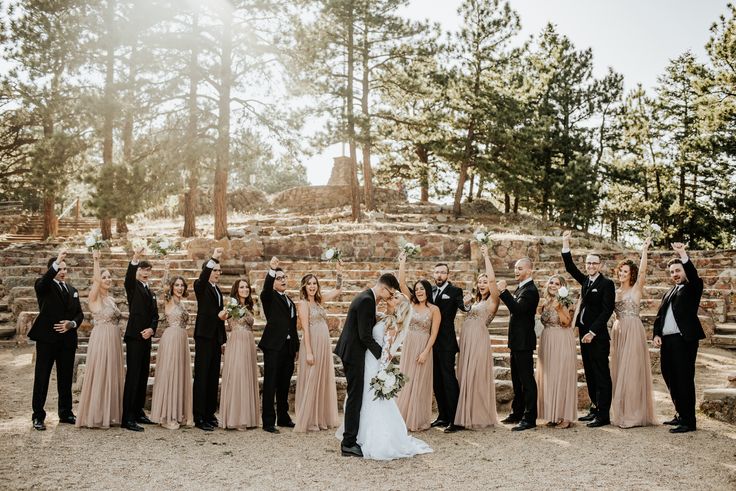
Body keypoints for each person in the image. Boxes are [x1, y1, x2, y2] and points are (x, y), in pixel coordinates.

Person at [335, 293, 432, 460]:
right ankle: (358, 435)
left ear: (399, 306)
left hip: (374, 366)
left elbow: (386, 353)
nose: (391, 298)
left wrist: (381, 375)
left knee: (369, 400)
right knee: (360, 399)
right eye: (392, 296)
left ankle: (374, 438)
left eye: (395, 299)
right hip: (367, 361)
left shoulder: (393, 325)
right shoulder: (384, 318)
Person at [335, 272, 401, 458]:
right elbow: (365, 336)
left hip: (353, 353)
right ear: (383, 288)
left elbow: (366, 324)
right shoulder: (366, 300)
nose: (390, 296)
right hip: (354, 354)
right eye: (390, 293)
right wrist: (383, 357)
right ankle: (348, 443)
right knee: (355, 397)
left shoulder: (367, 298)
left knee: (355, 396)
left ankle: (351, 438)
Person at [561, 231, 615, 428]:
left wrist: (592, 331)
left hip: (597, 337)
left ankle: (603, 415)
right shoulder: (586, 281)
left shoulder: (607, 284)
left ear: (600, 265)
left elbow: (607, 310)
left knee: (601, 374)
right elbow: (569, 267)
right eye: (588, 263)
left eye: (594, 263)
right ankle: (594, 408)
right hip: (584, 335)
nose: (591, 266)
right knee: (590, 373)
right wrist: (565, 242)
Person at [652, 242, 705, 434]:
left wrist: (682, 253)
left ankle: (689, 421)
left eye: (678, 270)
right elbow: (660, 316)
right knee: (670, 377)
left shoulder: (693, 287)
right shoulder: (669, 292)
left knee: (683, 379)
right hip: (667, 341)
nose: (675, 274)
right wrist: (657, 333)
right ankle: (680, 414)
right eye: (672, 271)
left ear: (684, 271)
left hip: (684, 340)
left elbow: (692, 273)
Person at [29, 249, 84, 431]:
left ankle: (66, 412)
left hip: (67, 340)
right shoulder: (43, 285)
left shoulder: (72, 290)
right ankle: (38, 416)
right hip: (46, 339)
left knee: (65, 378)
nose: (63, 271)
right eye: (59, 268)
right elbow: (45, 281)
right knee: (42, 377)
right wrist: (58, 260)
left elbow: (79, 314)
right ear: (52, 269)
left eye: (65, 269)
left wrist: (72, 324)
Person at [610, 238, 657, 428]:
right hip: (619, 330)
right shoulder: (614, 292)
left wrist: (644, 250)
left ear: (632, 274)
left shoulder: (637, 289)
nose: (622, 274)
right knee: (620, 370)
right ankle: (621, 413)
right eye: (620, 271)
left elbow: (644, 271)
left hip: (633, 330)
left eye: (625, 272)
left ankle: (634, 415)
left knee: (632, 371)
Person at [76, 250, 125, 428]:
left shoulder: (111, 299)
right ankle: (96, 414)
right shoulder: (94, 298)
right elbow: (95, 281)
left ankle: (110, 413)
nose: (107, 279)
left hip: (114, 339)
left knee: (111, 373)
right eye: (105, 277)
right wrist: (96, 260)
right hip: (102, 338)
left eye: (109, 277)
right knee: (100, 373)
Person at [454, 244, 500, 430]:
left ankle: (479, 414)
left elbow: (493, 280)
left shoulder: (493, 300)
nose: (482, 284)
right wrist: (464, 305)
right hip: (466, 340)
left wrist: (486, 256)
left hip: (479, 339)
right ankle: (466, 413)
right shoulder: (475, 301)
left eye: (485, 282)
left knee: (476, 374)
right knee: (466, 374)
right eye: (480, 282)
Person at [293, 263, 343, 432]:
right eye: (309, 284)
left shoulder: (320, 301)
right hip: (312, 343)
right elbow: (305, 328)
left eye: (315, 283)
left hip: (324, 344)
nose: (312, 287)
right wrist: (308, 351)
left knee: (321, 378)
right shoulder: (303, 304)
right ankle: (309, 419)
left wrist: (339, 272)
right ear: (304, 287)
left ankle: (320, 417)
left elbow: (338, 290)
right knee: (311, 380)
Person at [397, 253, 441, 432]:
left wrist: (425, 352)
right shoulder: (411, 304)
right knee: (406, 380)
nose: (419, 291)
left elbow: (434, 334)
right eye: (416, 289)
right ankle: (402, 417)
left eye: (422, 289)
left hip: (423, 347)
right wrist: (402, 263)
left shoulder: (434, 309)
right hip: (409, 346)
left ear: (427, 290)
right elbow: (401, 284)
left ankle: (417, 418)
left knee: (420, 381)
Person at [150, 259, 193, 430]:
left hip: (182, 339)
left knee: (180, 374)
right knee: (170, 374)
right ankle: (167, 416)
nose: (180, 288)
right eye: (177, 285)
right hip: (172, 338)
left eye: (182, 285)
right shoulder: (169, 302)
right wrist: (166, 269)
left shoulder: (181, 303)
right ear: (172, 287)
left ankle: (178, 413)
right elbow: (164, 287)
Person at [498, 257, 540, 431]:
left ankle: (529, 418)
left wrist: (503, 292)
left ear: (529, 270)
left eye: (520, 268)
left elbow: (518, 310)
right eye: (515, 268)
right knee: (516, 379)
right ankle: (517, 412)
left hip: (524, 342)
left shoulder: (530, 290)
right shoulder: (521, 287)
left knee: (527, 380)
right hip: (516, 342)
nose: (516, 271)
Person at [259, 257, 300, 433]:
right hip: (274, 346)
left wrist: (296, 347)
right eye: (279, 278)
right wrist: (272, 269)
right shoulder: (269, 297)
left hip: (288, 348)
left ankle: (283, 417)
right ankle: (268, 421)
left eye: (284, 277)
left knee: (284, 384)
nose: (283, 280)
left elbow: (292, 325)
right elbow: (265, 290)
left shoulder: (289, 300)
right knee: (271, 383)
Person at [427, 261, 469, 432]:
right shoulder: (429, 290)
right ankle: (443, 416)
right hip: (431, 342)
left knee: (448, 379)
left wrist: (467, 304)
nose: (439, 275)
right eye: (437, 272)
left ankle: (456, 420)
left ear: (448, 275)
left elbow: (462, 306)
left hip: (447, 343)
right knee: (437, 380)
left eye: (443, 272)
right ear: (433, 274)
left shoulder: (455, 291)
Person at [121, 247, 159, 432]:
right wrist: (135, 257)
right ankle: (127, 418)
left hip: (147, 337)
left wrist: (152, 329)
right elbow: (128, 277)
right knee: (134, 376)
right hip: (135, 336)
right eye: (142, 270)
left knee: (143, 375)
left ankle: (138, 412)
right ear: (137, 272)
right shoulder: (132, 287)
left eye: (148, 270)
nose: (145, 273)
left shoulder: (151, 292)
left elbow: (155, 315)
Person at [535, 275, 577, 429]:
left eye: (557, 283)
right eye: (551, 282)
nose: (553, 285)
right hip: (547, 341)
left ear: (562, 287)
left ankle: (565, 417)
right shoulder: (545, 302)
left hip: (561, 339)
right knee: (550, 376)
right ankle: (553, 414)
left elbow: (567, 322)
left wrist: (559, 308)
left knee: (562, 375)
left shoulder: (564, 301)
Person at [193, 247, 227, 432]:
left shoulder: (218, 290)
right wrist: (214, 257)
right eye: (214, 270)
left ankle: (209, 413)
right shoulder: (201, 286)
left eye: (218, 270)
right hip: (204, 337)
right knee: (202, 376)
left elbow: (219, 317)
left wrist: (223, 340)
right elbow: (203, 276)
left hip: (215, 338)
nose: (217, 273)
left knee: (213, 376)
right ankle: (199, 417)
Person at [219, 278, 260, 430]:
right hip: (236, 342)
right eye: (242, 287)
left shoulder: (249, 306)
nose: (245, 289)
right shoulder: (232, 304)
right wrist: (229, 306)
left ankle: (248, 417)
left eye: (246, 287)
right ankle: (235, 418)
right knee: (237, 376)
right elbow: (221, 316)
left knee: (247, 376)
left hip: (248, 343)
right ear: (236, 290)